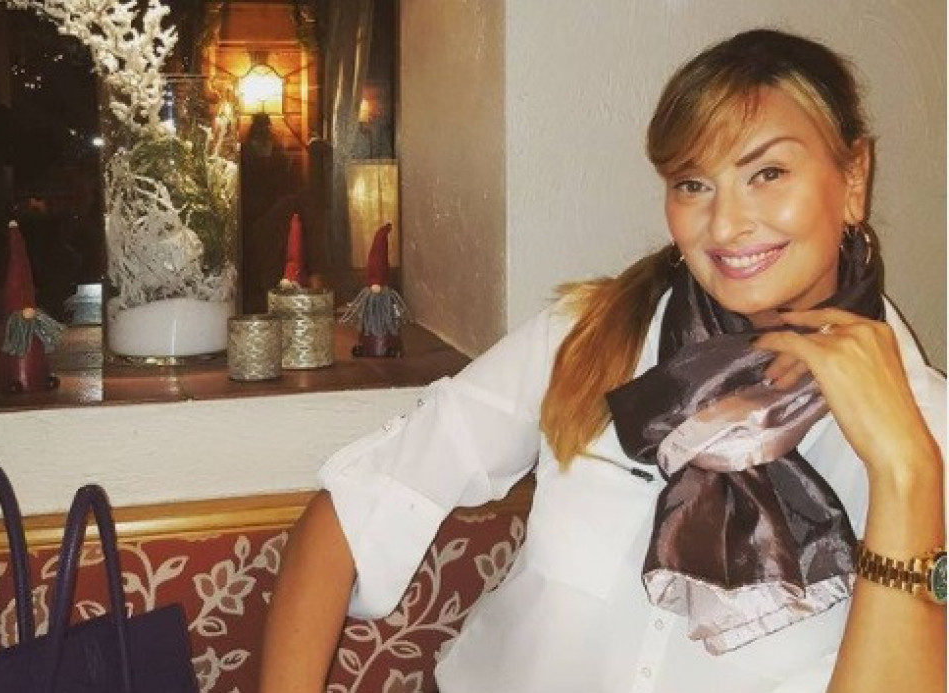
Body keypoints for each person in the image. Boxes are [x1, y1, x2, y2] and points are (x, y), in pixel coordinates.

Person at [258, 29, 946, 693]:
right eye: (693, 184)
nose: (726, 224)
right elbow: (354, 507)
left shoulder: (927, 430)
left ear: (854, 177)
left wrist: (908, 472)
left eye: (767, 173)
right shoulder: (594, 335)